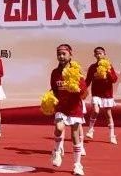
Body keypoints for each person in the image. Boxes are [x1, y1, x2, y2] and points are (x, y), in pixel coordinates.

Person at [49, 44, 88, 176]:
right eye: (59, 54)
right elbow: (54, 90)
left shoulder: (76, 71)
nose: (61, 56)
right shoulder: (55, 73)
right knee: (59, 128)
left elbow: (84, 92)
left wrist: (77, 88)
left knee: (75, 136)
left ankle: (77, 165)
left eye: (63, 54)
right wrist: (49, 99)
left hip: (74, 107)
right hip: (61, 107)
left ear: (70, 55)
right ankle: (57, 150)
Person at [85, 46, 119, 144]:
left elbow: (114, 80)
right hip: (96, 93)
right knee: (96, 110)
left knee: (108, 115)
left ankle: (112, 136)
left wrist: (108, 71)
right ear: (94, 55)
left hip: (107, 94)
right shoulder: (92, 67)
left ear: (104, 54)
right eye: (96, 53)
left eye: (100, 53)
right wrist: (82, 89)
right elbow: (88, 81)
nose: (98, 55)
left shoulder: (109, 66)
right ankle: (90, 130)